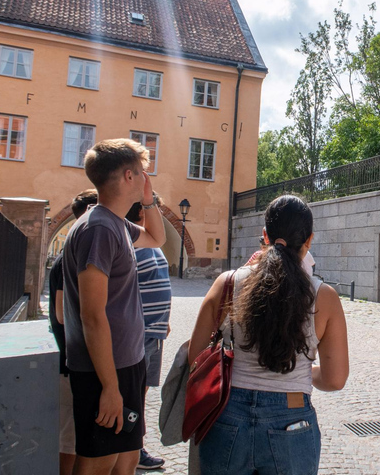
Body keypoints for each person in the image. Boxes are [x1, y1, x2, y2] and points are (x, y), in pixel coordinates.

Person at [187, 195, 349, 474]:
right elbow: (335, 379)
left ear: (264, 236)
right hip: (293, 420)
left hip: (226, 415)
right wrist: (296, 369)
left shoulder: (226, 283)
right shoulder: (325, 297)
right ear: (309, 240)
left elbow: (196, 358)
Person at [62, 139, 166, 475]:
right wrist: (109, 387)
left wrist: (148, 200)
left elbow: (156, 238)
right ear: (127, 176)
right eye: (141, 172)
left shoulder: (114, 222)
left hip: (126, 361)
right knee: (99, 463)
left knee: (127, 458)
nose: (145, 177)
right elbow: (92, 316)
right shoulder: (100, 229)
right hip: (104, 370)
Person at [48, 189, 98, 475]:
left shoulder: (76, 253)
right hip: (70, 361)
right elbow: (60, 314)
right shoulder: (67, 259)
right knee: (68, 437)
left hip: (75, 360)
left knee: (75, 435)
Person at [124, 197, 172, 470]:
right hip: (137, 333)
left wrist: (163, 320)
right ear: (142, 211)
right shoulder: (128, 241)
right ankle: (128, 451)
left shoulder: (150, 242)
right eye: (157, 210)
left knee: (139, 394)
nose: (161, 216)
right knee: (130, 394)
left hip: (154, 332)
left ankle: (136, 448)